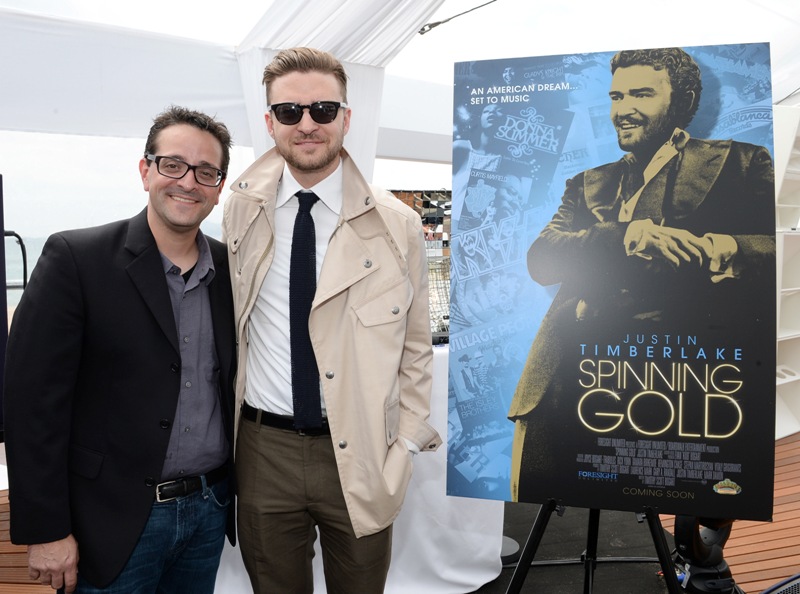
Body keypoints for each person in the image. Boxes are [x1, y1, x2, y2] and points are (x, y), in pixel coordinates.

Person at [507, 47, 775, 500]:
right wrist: (628, 236)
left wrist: (721, 247)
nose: (623, 110)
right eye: (617, 97)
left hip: (682, 381)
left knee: (698, 492)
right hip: (571, 375)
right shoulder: (587, 182)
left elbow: (777, 248)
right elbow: (542, 259)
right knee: (550, 488)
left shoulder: (742, 163)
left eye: (641, 94)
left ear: (684, 100)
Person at [222, 47, 441, 593]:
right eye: (289, 111)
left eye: (322, 109)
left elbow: (416, 346)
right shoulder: (239, 210)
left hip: (364, 451)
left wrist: (406, 443)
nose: (307, 124)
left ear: (346, 117)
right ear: (269, 122)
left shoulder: (398, 225)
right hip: (263, 452)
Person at [3, 106, 237, 592]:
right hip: (112, 519)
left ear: (218, 188)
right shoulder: (76, 259)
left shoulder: (230, 269)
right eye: (173, 164)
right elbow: (31, 403)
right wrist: (45, 528)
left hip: (209, 510)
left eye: (206, 171)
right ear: (145, 170)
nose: (188, 182)